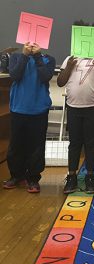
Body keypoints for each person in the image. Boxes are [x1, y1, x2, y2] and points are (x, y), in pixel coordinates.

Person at [57, 20, 94, 194]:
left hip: (93, 107)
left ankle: (89, 177)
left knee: (90, 143)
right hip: (73, 107)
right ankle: (71, 177)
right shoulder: (70, 58)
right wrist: (70, 66)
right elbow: (60, 82)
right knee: (74, 143)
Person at [3, 42, 55, 193]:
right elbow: (15, 75)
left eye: (36, 42)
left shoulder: (48, 59)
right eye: (29, 42)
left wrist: (38, 57)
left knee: (36, 147)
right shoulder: (16, 57)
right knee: (16, 145)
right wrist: (25, 56)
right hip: (18, 108)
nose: (32, 44)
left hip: (39, 109)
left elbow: (45, 77)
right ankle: (16, 176)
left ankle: (33, 178)